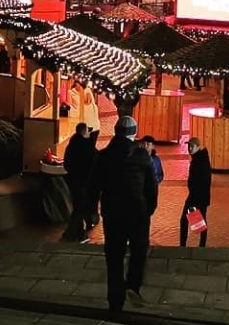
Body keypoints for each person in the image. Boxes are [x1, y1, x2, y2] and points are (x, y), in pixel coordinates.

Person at [90, 116, 159, 312]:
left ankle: (115, 299)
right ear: (134, 133)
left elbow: (94, 186)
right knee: (139, 250)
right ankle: (133, 284)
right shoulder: (142, 156)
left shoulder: (104, 156)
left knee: (114, 255)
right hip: (137, 212)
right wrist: (149, 209)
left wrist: (93, 210)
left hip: (113, 213)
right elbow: (151, 187)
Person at [63, 123, 97, 242]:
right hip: (84, 181)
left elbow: (66, 164)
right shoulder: (88, 146)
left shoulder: (71, 145)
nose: (89, 133)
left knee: (78, 205)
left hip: (72, 180)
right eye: (88, 131)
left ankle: (80, 231)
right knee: (80, 207)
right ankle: (70, 233)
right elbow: (94, 164)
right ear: (84, 132)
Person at [180, 137, 211, 246]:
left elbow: (202, 181)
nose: (189, 148)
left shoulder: (200, 161)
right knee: (199, 221)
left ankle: (184, 245)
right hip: (199, 197)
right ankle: (201, 245)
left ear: (198, 147)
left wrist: (194, 198)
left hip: (196, 197)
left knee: (186, 220)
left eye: (192, 146)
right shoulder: (199, 158)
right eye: (189, 146)